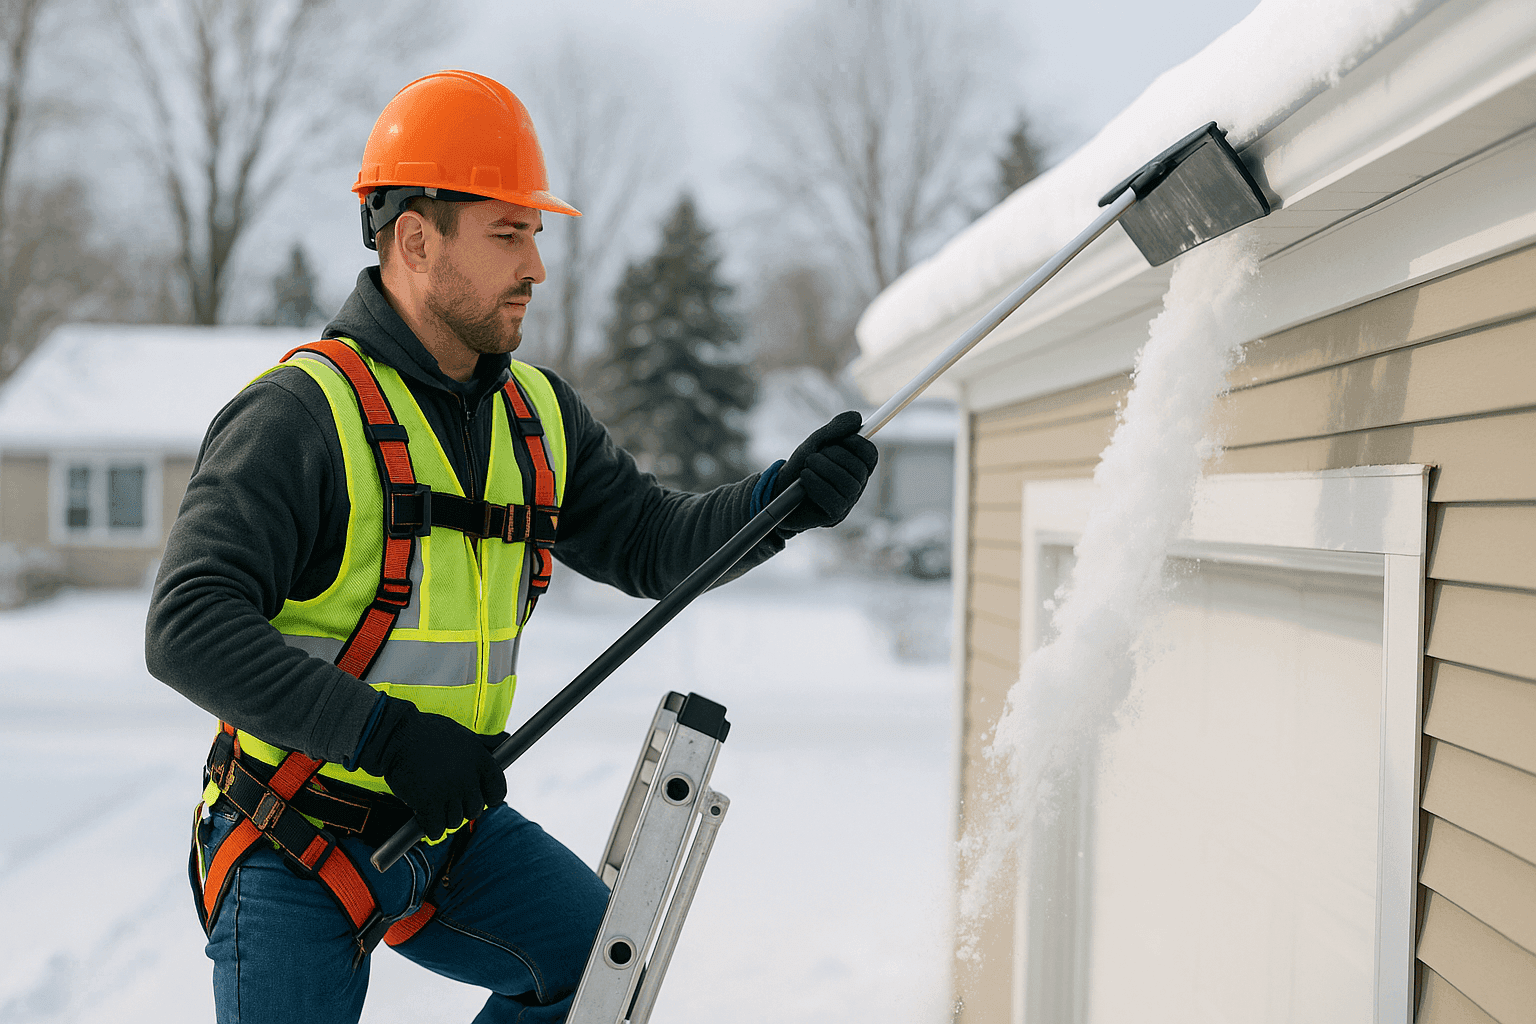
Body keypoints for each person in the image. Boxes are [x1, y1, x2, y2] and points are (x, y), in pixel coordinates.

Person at [145, 70, 877, 1023]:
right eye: (507, 232)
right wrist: (389, 737)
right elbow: (186, 626)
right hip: (292, 840)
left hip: (446, 832)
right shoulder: (300, 416)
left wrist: (780, 502)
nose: (537, 265)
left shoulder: (536, 417)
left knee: (597, 980)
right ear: (416, 236)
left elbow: (653, 544)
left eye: (535, 233)